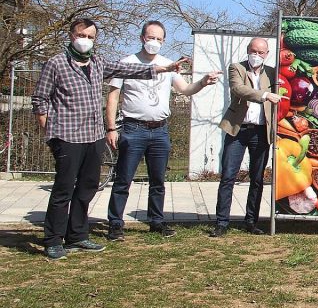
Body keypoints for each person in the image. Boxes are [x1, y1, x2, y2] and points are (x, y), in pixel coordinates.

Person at [31, 18, 183, 261]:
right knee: (63, 190)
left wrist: (164, 69)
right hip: (67, 136)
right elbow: (40, 99)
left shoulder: (98, 63)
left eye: (91, 37)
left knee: (87, 187)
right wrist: (49, 132)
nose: (86, 40)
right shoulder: (56, 63)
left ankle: (77, 235)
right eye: (82, 35)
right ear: (72, 35)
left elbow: (129, 70)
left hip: (93, 136)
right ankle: (52, 240)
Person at [104, 21, 222, 241]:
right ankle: (115, 224)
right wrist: (111, 127)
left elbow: (185, 89)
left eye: (159, 39)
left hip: (159, 130)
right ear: (142, 38)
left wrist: (203, 82)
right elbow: (113, 96)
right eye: (151, 38)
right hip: (133, 128)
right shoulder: (126, 63)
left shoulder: (168, 64)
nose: (154, 42)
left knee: (157, 181)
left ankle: (156, 221)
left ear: (163, 41)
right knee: (123, 179)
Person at [210, 37, 280, 237]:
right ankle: (222, 223)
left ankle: (251, 221)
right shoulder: (237, 68)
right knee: (228, 177)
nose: (256, 55)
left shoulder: (272, 72)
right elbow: (238, 89)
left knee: (257, 179)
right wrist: (265, 96)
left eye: (261, 52)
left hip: (260, 132)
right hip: (238, 130)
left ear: (267, 54)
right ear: (248, 50)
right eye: (253, 51)